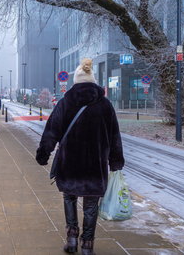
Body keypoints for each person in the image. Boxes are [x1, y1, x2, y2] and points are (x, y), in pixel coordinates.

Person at [35, 58, 125, 255]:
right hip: (96, 165)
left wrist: (43, 154)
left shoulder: (65, 102)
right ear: (93, 81)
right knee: (91, 204)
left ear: (76, 81)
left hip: (70, 163)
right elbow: (114, 136)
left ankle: (72, 239)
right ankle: (87, 246)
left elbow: (51, 131)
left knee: (69, 197)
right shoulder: (105, 105)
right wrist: (116, 162)